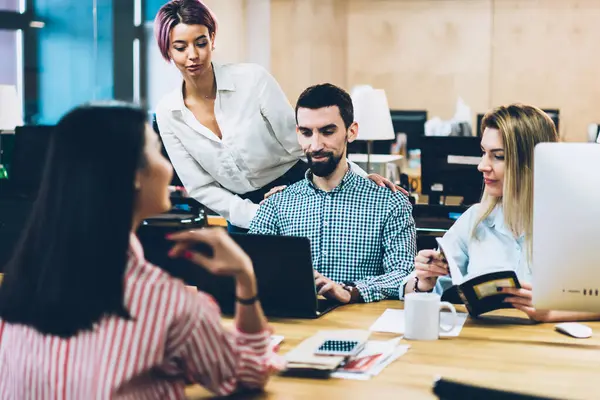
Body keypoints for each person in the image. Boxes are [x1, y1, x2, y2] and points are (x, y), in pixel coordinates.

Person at [0, 103, 283, 398]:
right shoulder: (169, 305)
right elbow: (249, 374)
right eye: (157, 152)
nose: (167, 167)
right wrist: (245, 277)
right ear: (134, 175)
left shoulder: (18, 288)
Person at [153, 0, 399, 232]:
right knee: (249, 275)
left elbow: (303, 142)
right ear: (168, 49)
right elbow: (200, 186)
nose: (193, 55)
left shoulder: (252, 80)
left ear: (212, 38)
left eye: (200, 42)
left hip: (297, 191)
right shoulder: (168, 113)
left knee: (307, 274)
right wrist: (254, 213)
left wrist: (361, 179)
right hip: (240, 210)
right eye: (180, 47)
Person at [403, 103, 600, 322]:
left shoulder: (577, 224)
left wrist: (551, 313)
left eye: (498, 156)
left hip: (551, 349)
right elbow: (421, 293)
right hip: (487, 347)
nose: (482, 166)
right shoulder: (475, 220)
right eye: (484, 153)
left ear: (530, 162)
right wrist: (424, 282)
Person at [249, 84, 416, 304]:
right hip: (296, 328)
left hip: (360, 327)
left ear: (351, 131)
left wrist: (351, 291)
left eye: (327, 131)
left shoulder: (391, 203)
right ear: (298, 134)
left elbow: (404, 274)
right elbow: (248, 270)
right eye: (307, 133)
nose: (316, 145)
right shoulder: (276, 204)